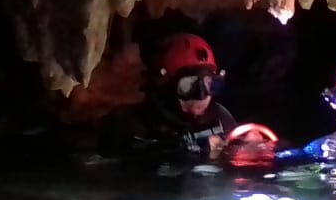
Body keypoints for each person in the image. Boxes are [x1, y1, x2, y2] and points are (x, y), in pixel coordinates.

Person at [98, 33, 237, 163]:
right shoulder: (128, 123)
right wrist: (183, 148)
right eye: (188, 85)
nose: (202, 96)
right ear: (166, 85)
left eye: (210, 84)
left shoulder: (220, 117)